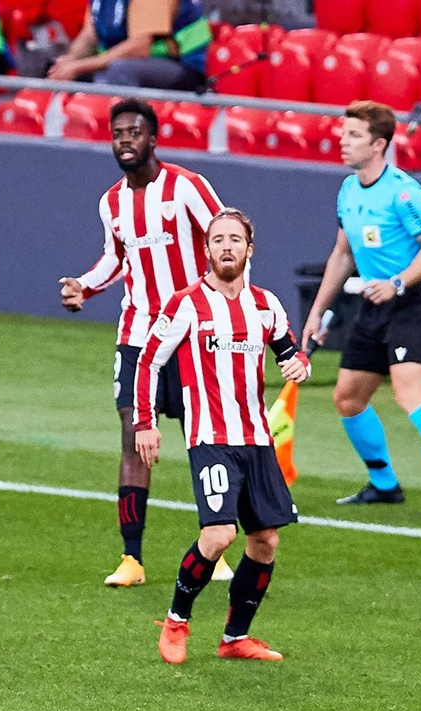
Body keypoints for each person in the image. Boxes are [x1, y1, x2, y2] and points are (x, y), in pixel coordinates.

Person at [59, 97, 233, 588]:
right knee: (133, 437)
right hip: (138, 335)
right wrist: (84, 286)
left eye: (134, 132)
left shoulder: (187, 187)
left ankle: (215, 546)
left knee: (207, 440)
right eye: (118, 134)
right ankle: (131, 558)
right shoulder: (111, 202)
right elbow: (116, 258)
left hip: (193, 335)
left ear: (153, 139)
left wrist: (227, 307)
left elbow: (226, 238)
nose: (125, 141)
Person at [133, 209, 310, 664]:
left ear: (249, 249)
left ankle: (235, 638)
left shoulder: (266, 304)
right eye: (218, 239)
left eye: (235, 239)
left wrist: (299, 365)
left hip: (257, 438)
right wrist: (145, 422)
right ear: (207, 249)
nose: (226, 246)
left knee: (265, 541)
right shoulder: (186, 304)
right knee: (218, 534)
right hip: (210, 438)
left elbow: (291, 352)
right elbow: (149, 361)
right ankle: (176, 622)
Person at [304, 101, 421, 518]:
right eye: (344, 132)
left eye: (354, 135)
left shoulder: (403, 192)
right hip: (374, 303)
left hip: (411, 301)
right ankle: (384, 485)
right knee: (348, 398)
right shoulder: (348, 189)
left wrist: (397, 283)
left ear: (379, 145)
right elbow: (343, 254)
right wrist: (317, 312)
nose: (343, 141)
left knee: (408, 392)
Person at [47, 0, 211, 90]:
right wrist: (69, 60)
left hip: (181, 66)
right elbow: (89, 37)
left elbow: (139, 47)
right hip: (123, 62)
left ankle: (119, 133)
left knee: (119, 71)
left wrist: (79, 67)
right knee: (53, 66)